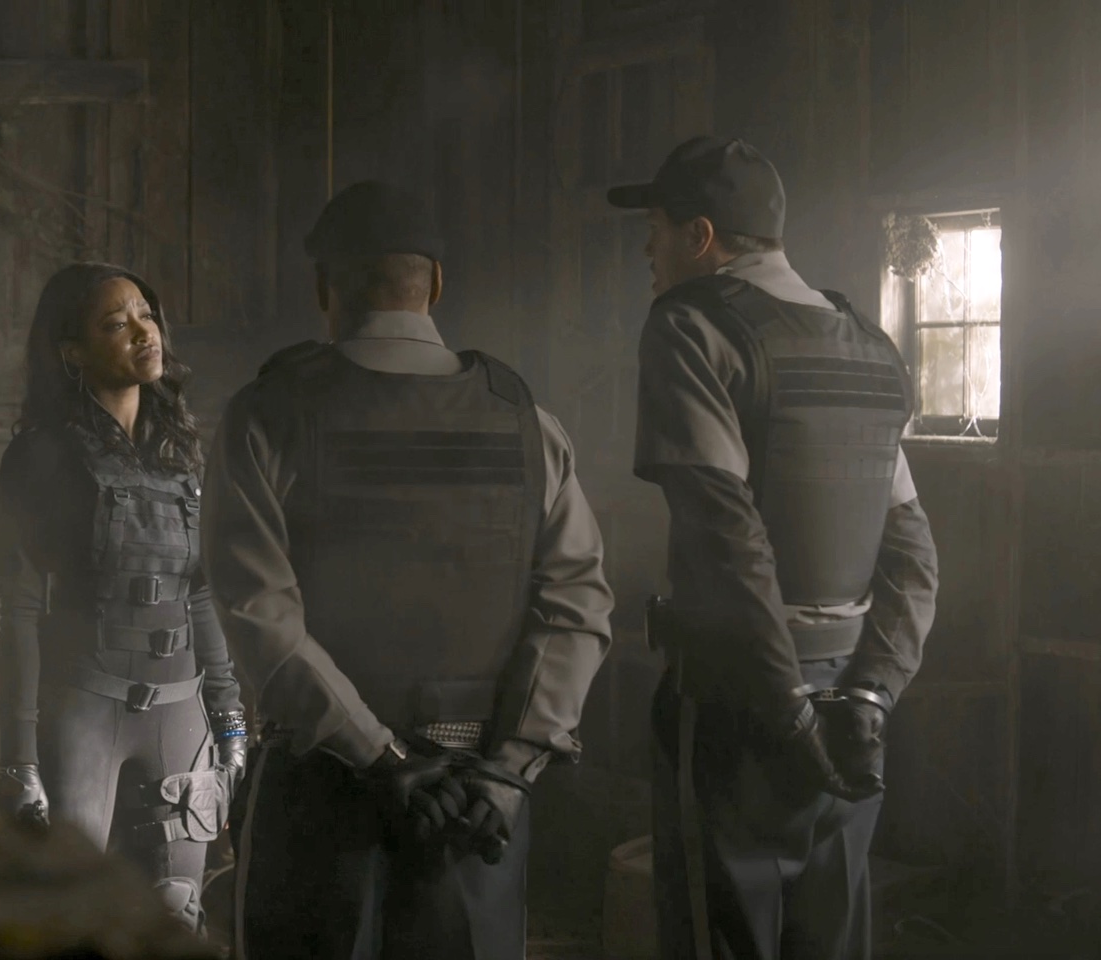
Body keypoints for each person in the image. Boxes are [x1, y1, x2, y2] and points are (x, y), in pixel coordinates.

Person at [206, 180, 615, 960]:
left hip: (321, 796)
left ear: (324, 286)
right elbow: (578, 608)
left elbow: (260, 615)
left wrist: (382, 757)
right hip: (478, 806)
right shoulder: (527, 423)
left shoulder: (268, 414)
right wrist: (507, 771)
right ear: (436, 283)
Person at [609, 136, 941, 960]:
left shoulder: (689, 326)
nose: (647, 251)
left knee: (722, 939)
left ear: (700, 236)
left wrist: (785, 709)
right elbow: (913, 554)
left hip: (740, 699)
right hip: (852, 702)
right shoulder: (867, 347)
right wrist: (872, 696)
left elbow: (726, 539)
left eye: (655, 230)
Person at [0, 262, 248, 932]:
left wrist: (231, 722)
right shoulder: (40, 457)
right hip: (83, 713)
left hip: (181, 713)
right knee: (72, 921)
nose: (142, 330)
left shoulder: (183, 454)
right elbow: (19, 611)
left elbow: (201, 596)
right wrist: (18, 758)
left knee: (176, 918)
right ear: (73, 352)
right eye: (115, 323)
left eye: (145, 314)